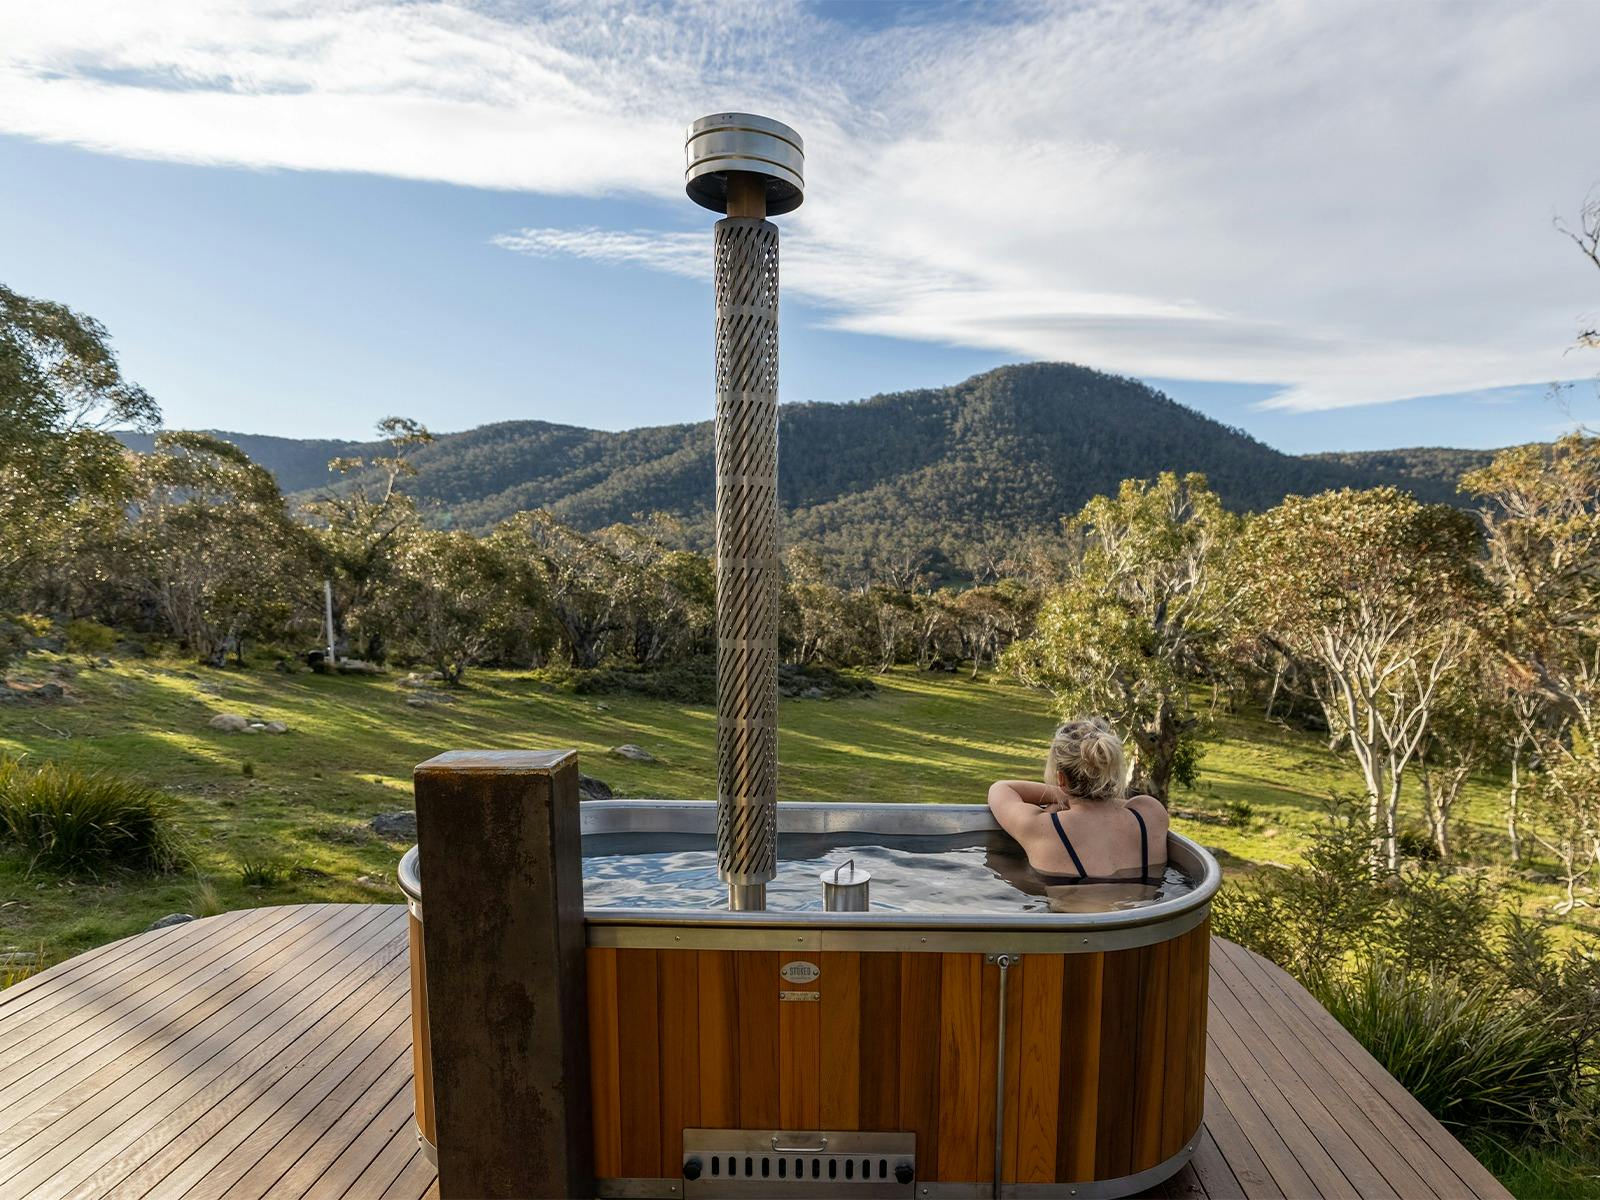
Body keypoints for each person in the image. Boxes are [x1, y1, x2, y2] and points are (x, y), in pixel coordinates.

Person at [987, 717, 1167, 886]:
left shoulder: (1042, 828)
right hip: (1145, 916)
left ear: (1061, 779)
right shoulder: (1150, 813)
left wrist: (1064, 797)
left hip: (1073, 918)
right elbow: (1115, 804)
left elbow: (1001, 788)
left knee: (1008, 868)